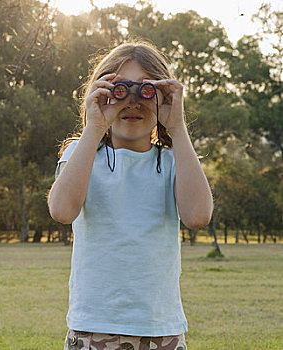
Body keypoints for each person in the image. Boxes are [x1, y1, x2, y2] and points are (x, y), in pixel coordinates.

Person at [47, 40, 214, 350]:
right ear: (100, 94)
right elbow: (61, 210)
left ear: (162, 97)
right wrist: (95, 127)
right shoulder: (81, 154)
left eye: (146, 91)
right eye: (120, 90)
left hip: (161, 327)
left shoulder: (173, 160)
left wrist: (177, 127)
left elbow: (198, 216)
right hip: (94, 326)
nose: (132, 102)